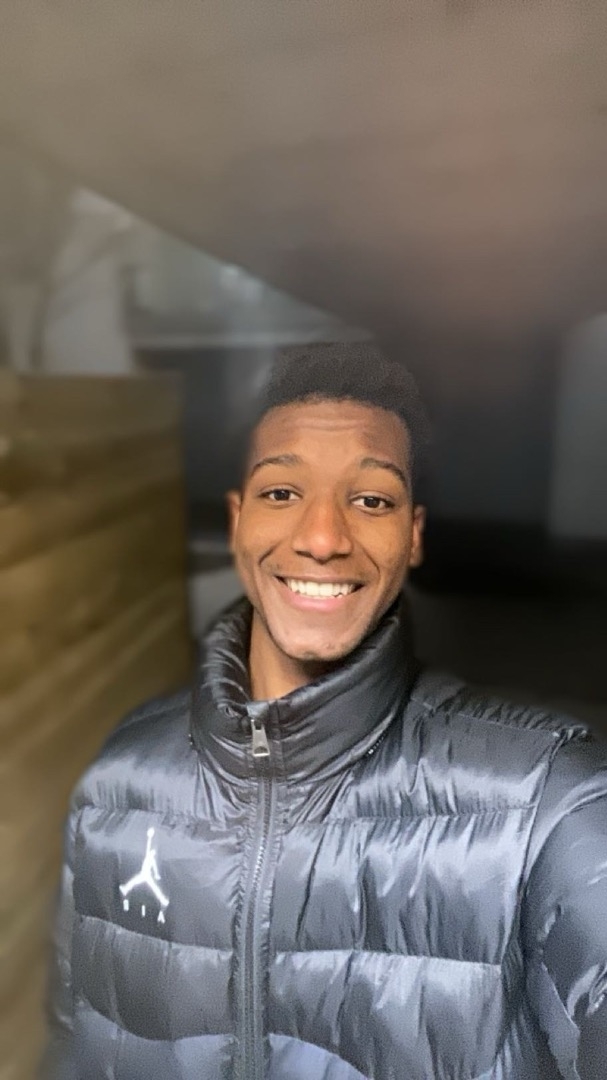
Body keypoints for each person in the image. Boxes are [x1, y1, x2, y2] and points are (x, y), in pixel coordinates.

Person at [45, 341, 607, 1080]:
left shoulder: (547, 805)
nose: (321, 538)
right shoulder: (117, 786)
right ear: (238, 521)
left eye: (371, 500)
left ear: (412, 535)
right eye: (282, 492)